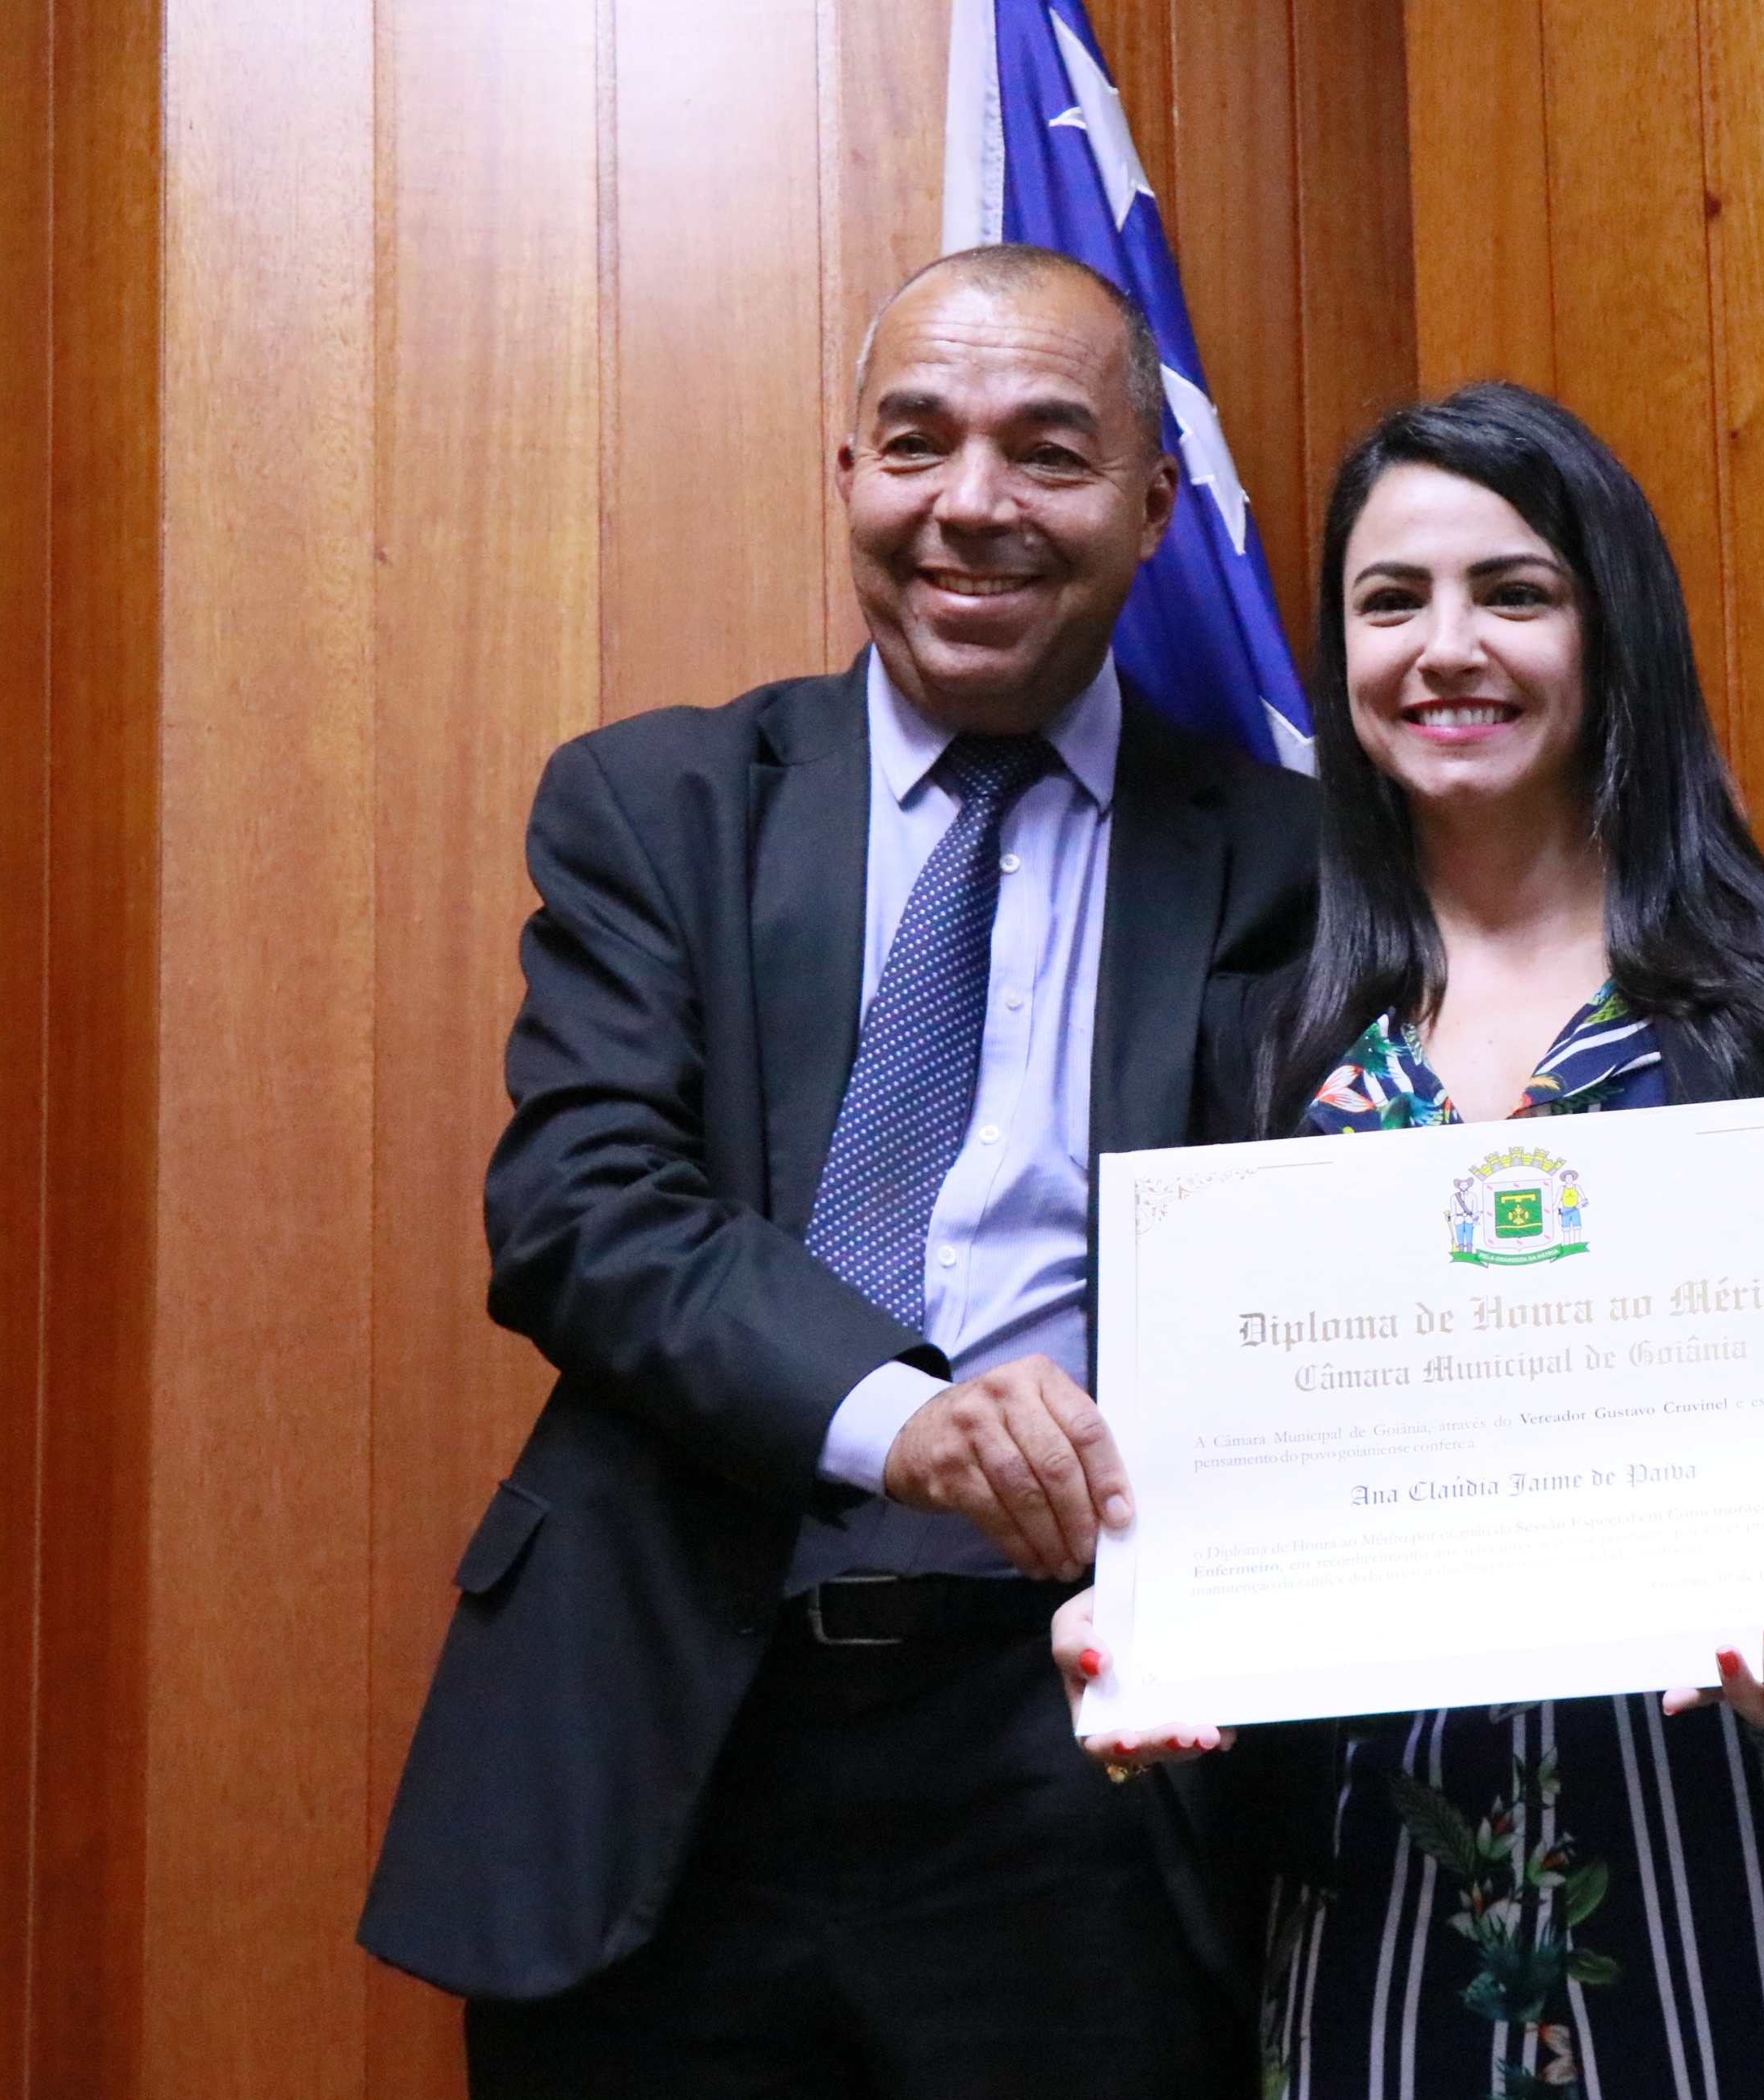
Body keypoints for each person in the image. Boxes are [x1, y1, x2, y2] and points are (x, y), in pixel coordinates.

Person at [357, 245, 1318, 2098]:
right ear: (851, 474)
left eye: (1049, 450)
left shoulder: (1294, 860)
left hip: (1077, 1747)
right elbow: (581, 1209)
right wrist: (907, 1419)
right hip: (669, 1729)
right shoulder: (659, 805)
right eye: (917, 440)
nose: (973, 501)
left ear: (1152, 506)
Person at [1065, 383, 1764, 2100]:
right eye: (1391, 600)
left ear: (1611, 629)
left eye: (1513, 592)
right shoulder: (1255, 1033)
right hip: (1399, 1878)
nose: (1447, 648)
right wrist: (1144, 1613)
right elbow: (1197, 1447)